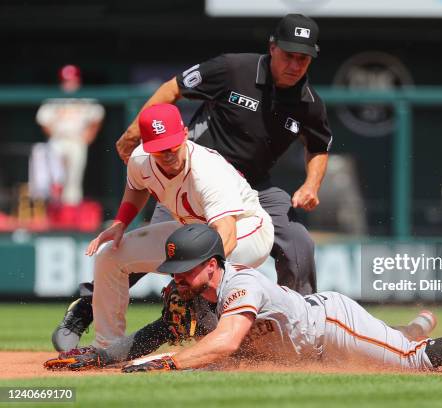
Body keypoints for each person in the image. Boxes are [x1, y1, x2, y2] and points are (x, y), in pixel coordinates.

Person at [52, 13, 332, 349]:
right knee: (155, 248)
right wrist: (135, 130)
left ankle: (308, 329)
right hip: (191, 178)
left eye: (303, 58)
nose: (295, 64)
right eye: (288, 54)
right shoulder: (233, 69)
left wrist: (311, 184)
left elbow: (319, 147)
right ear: (272, 48)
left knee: (299, 243)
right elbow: (174, 87)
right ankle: (84, 308)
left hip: (253, 186)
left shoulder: (310, 104)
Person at [44, 224, 442, 374]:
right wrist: (106, 357)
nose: (176, 278)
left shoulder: (242, 283)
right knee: (396, 344)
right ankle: (409, 328)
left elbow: (224, 342)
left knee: (411, 362)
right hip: (309, 349)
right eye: (173, 270)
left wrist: (170, 364)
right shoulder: (189, 296)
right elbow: (160, 333)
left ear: (214, 264)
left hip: (328, 325)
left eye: (186, 269)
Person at [52, 103, 274, 350]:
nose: (167, 154)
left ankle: (229, 334)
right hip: (192, 231)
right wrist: (120, 223)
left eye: (172, 146)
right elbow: (136, 188)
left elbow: (227, 235)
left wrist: (188, 277)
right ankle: (107, 345)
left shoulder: (208, 171)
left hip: (248, 230)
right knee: (110, 256)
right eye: (159, 149)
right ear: (147, 147)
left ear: (186, 134)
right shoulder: (140, 160)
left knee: (207, 274)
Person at [32, 64, 105, 207]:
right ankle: (53, 210)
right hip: (58, 140)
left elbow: (97, 116)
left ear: (78, 81)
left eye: (72, 80)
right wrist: (54, 135)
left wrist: (90, 135)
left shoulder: (85, 99)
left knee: (74, 178)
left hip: (77, 140)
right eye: (66, 80)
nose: (69, 83)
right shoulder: (54, 99)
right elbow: (43, 119)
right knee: (54, 179)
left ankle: (70, 213)